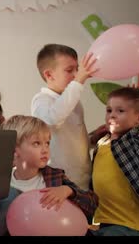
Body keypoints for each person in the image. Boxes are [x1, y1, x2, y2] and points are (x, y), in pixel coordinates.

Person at [2, 115, 99, 223]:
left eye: (47, 143)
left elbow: (92, 203)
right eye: (36, 143)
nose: (45, 150)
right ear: (15, 150)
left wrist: (69, 190)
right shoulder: (1, 182)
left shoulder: (55, 176)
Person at [31, 44, 98, 190]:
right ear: (49, 75)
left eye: (77, 69)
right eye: (69, 70)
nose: (75, 75)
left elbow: (73, 138)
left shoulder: (74, 102)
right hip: (58, 183)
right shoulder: (41, 100)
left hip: (82, 180)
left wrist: (92, 138)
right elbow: (52, 120)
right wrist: (78, 82)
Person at [90, 87, 139, 236]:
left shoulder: (135, 141)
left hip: (130, 225)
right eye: (109, 110)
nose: (112, 116)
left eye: (120, 111)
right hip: (104, 221)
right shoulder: (103, 142)